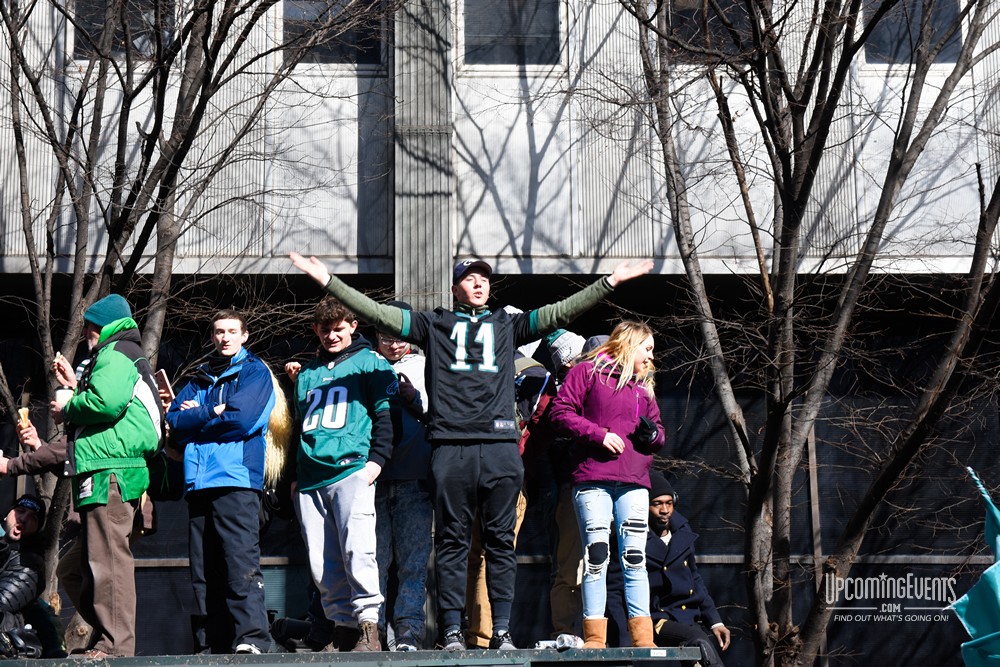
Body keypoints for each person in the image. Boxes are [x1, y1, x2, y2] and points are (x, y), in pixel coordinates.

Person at [290, 252, 652, 651]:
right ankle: (450, 632)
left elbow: (557, 313)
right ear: (454, 288)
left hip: (499, 449)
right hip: (450, 447)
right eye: (469, 278)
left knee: (500, 543)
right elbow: (378, 314)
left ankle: (502, 631)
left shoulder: (506, 325)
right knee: (451, 542)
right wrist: (328, 280)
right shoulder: (434, 324)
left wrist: (609, 282)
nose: (479, 283)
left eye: (484, 278)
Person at [51, 293, 162, 658]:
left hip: (111, 470)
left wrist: (69, 406)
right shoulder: (123, 353)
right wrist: (75, 384)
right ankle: (107, 636)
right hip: (108, 468)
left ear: (100, 326)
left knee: (108, 563)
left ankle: (115, 646)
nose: (86, 335)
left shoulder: (115, 353)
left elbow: (106, 401)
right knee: (84, 565)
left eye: (88, 329)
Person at [286, 296, 395, 652]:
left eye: (338, 329)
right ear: (315, 330)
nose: (331, 336)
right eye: (324, 330)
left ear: (352, 326)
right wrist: (294, 476)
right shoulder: (309, 373)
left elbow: (384, 416)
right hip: (311, 476)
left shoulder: (370, 361)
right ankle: (342, 627)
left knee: (358, 551)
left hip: (351, 468)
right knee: (321, 563)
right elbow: (300, 426)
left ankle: (368, 628)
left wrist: (376, 461)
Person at [166, 310, 276, 655]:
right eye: (218, 332)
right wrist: (212, 411)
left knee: (239, 562)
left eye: (231, 331)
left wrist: (195, 417)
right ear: (211, 337)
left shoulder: (255, 372)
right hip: (198, 483)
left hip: (236, 480)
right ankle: (209, 644)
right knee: (202, 571)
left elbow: (241, 420)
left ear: (245, 336)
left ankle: (252, 638)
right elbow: (173, 421)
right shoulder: (199, 377)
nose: (224, 337)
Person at [548, 320, 665, 649]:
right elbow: (560, 412)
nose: (651, 357)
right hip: (593, 479)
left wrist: (654, 436)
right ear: (630, 343)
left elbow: (658, 429)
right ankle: (595, 638)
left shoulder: (644, 385)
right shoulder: (586, 373)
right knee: (596, 555)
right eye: (648, 349)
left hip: (634, 481)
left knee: (634, 557)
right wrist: (598, 434)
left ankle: (644, 639)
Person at [606, 472, 730, 664]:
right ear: (644, 506)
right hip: (654, 619)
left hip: (688, 618)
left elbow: (695, 580)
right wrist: (623, 641)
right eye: (657, 504)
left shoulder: (682, 532)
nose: (665, 510)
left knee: (698, 643)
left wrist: (715, 621)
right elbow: (614, 592)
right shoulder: (627, 540)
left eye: (669, 503)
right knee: (698, 641)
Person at [372, 306, 433, 651]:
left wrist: (412, 397)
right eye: (385, 337)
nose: (393, 344)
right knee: (374, 561)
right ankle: (374, 633)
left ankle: (408, 632)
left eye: (399, 337)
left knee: (413, 561)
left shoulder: (426, 365)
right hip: (373, 477)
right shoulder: (366, 365)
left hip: (415, 474)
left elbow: (439, 410)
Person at [0, 494, 46, 658]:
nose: (24, 518)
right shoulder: (3, 550)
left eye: (33, 517)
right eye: (20, 511)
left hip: (6, 644)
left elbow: (2, 601)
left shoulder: (30, 564)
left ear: (37, 529)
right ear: (7, 515)